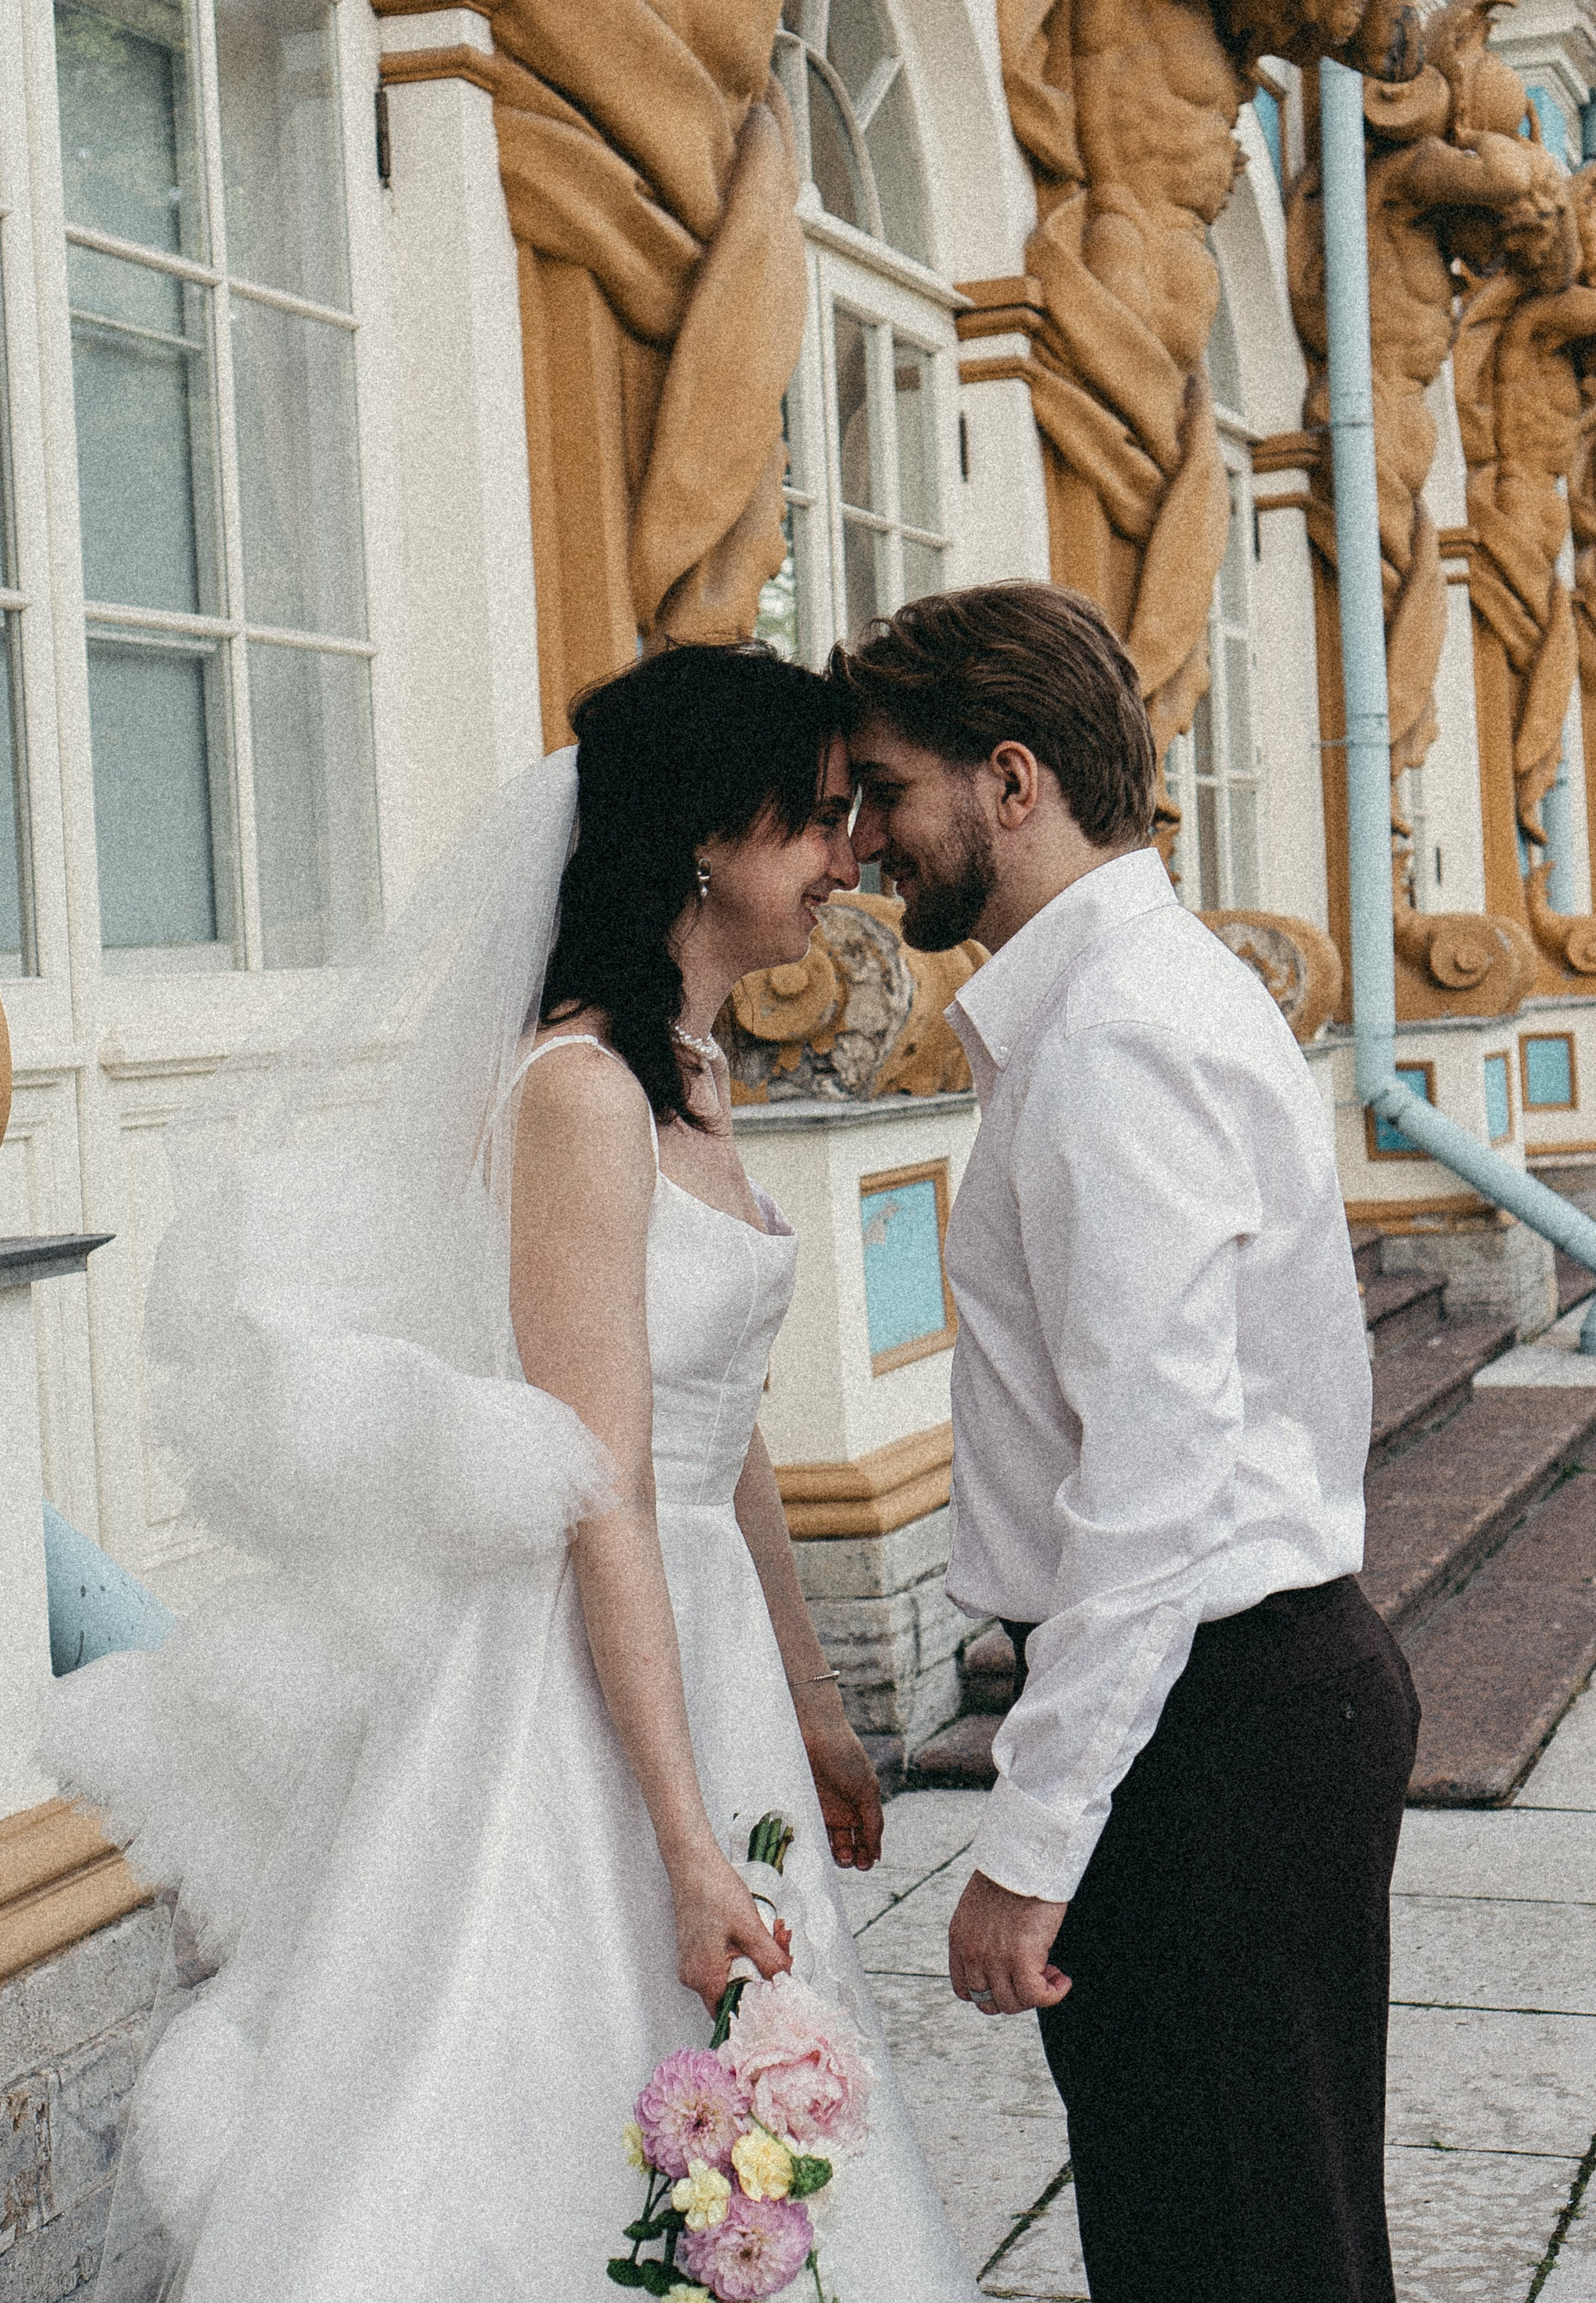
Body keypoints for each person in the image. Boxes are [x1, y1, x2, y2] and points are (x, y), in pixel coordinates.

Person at [40, 643, 980, 2302]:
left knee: (752, 2061)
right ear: (714, 836)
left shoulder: (693, 1073)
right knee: (545, 2067)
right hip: (572, 1668)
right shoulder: (579, 1092)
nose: (847, 860)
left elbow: (721, 1417)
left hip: (713, 1647)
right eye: (821, 824)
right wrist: (684, 1839)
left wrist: (818, 1700)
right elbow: (595, 1478)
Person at [833, 583, 1420, 2303]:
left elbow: (1154, 1487)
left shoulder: (1114, 1040)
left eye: (887, 789)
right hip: (1234, 1702)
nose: (866, 841)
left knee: (1233, 2248)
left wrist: (1030, 1850)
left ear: (1009, 782)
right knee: (1249, 2236)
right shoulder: (1131, 999)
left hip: (1213, 1724)